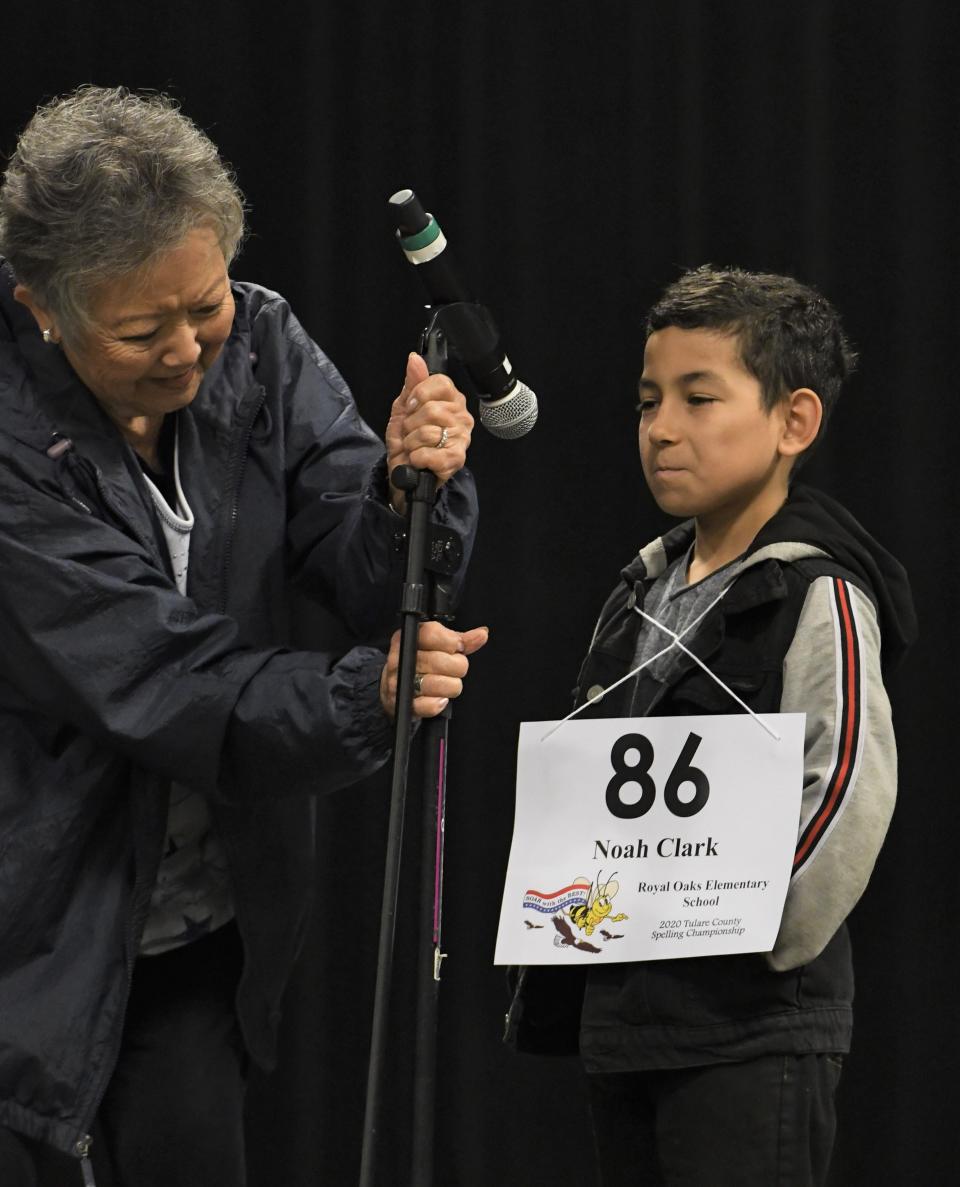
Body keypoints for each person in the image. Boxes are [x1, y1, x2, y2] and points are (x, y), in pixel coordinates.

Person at [0, 86, 486, 1186]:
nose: (187, 351)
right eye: (141, 329)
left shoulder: (259, 341)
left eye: (203, 304)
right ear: (43, 308)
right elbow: (162, 680)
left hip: (196, 937)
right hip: (26, 947)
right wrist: (362, 696)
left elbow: (371, 569)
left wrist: (411, 486)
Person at [506, 267, 917, 1186]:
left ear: (793, 422)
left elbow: (849, 778)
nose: (660, 429)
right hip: (626, 1018)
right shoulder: (636, 594)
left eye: (700, 398)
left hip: (751, 1024)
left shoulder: (820, 592)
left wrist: (752, 929)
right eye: (649, 401)